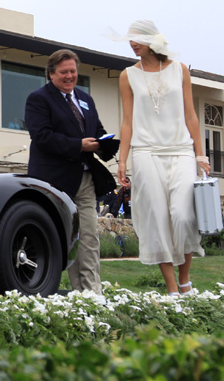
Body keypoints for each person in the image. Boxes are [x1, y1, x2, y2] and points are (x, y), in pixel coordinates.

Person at [116, 20, 207, 296]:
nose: (131, 43)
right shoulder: (127, 75)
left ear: (151, 39)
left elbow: (191, 114)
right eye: (129, 39)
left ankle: (185, 278)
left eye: (136, 38)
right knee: (156, 216)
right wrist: (122, 161)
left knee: (182, 215)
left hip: (180, 150)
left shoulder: (180, 70)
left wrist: (200, 155)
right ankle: (172, 288)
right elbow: (128, 122)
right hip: (146, 152)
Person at [26, 48, 115, 294]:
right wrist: (78, 145)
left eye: (73, 71)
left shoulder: (86, 99)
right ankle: (36, 288)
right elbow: (41, 136)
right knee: (57, 238)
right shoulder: (39, 99)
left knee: (88, 238)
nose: (69, 76)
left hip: (85, 179)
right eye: (64, 72)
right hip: (52, 181)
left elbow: (96, 128)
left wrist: (105, 143)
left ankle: (90, 294)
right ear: (51, 74)